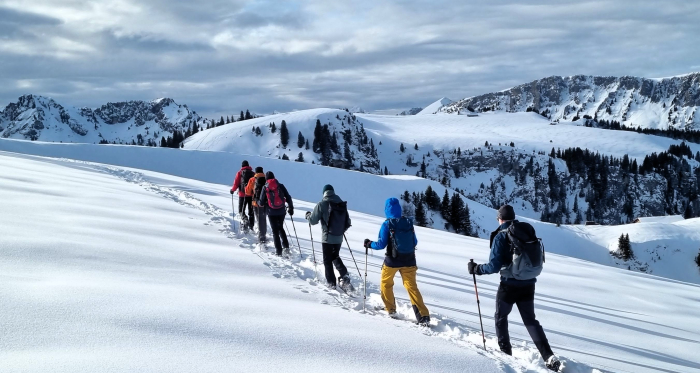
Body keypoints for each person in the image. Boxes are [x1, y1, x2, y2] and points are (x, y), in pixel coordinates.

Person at [468, 205, 560, 372]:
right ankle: (548, 356)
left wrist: (476, 269)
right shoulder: (525, 232)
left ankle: (505, 353)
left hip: (509, 285)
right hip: (528, 283)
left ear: (500, 218)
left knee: (501, 317)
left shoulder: (501, 236)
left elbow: (494, 266)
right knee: (530, 321)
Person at [363, 197, 430, 326]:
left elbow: (381, 244)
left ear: (387, 210)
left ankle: (390, 309)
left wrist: (369, 244)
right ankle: (423, 316)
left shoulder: (387, 224)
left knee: (386, 283)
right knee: (412, 287)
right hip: (409, 260)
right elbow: (415, 241)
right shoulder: (408, 222)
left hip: (392, 260)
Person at [305, 184, 353, 291]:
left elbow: (313, 221)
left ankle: (331, 284)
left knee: (327, 261)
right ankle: (344, 275)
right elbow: (348, 222)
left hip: (327, 238)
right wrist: (340, 231)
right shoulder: (341, 204)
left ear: (324, 193)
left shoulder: (322, 204)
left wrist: (308, 215)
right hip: (339, 237)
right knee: (335, 256)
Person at [258, 171, 293, 256]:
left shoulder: (265, 187)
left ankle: (278, 251)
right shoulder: (280, 185)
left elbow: (261, 202)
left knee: (275, 231)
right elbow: (288, 196)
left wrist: (259, 202)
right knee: (280, 227)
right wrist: (291, 208)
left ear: (266, 179)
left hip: (271, 212)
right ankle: (286, 247)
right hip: (281, 211)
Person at [230, 160, 255, 231]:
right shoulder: (253, 173)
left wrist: (232, 190)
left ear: (242, 166)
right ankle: (251, 226)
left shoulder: (240, 173)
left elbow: (236, 183)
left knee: (241, 210)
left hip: (242, 195)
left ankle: (245, 220)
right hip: (251, 195)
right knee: (251, 211)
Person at [247, 166, 267, 243]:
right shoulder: (266, 179)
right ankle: (263, 234)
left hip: (256, 203)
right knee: (263, 218)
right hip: (265, 203)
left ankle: (261, 236)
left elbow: (248, 192)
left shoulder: (252, 180)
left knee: (259, 219)